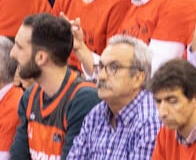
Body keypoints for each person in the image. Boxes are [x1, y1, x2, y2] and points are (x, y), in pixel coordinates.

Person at [12, 12, 103, 160]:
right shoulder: (29, 97)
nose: (12, 54)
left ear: (41, 57)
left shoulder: (84, 100)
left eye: (19, 47)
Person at [66, 35, 162, 160]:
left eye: (113, 68)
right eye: (100, 67)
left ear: (138, 78)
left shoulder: (150, 121)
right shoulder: (96, 114)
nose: (102, 76)